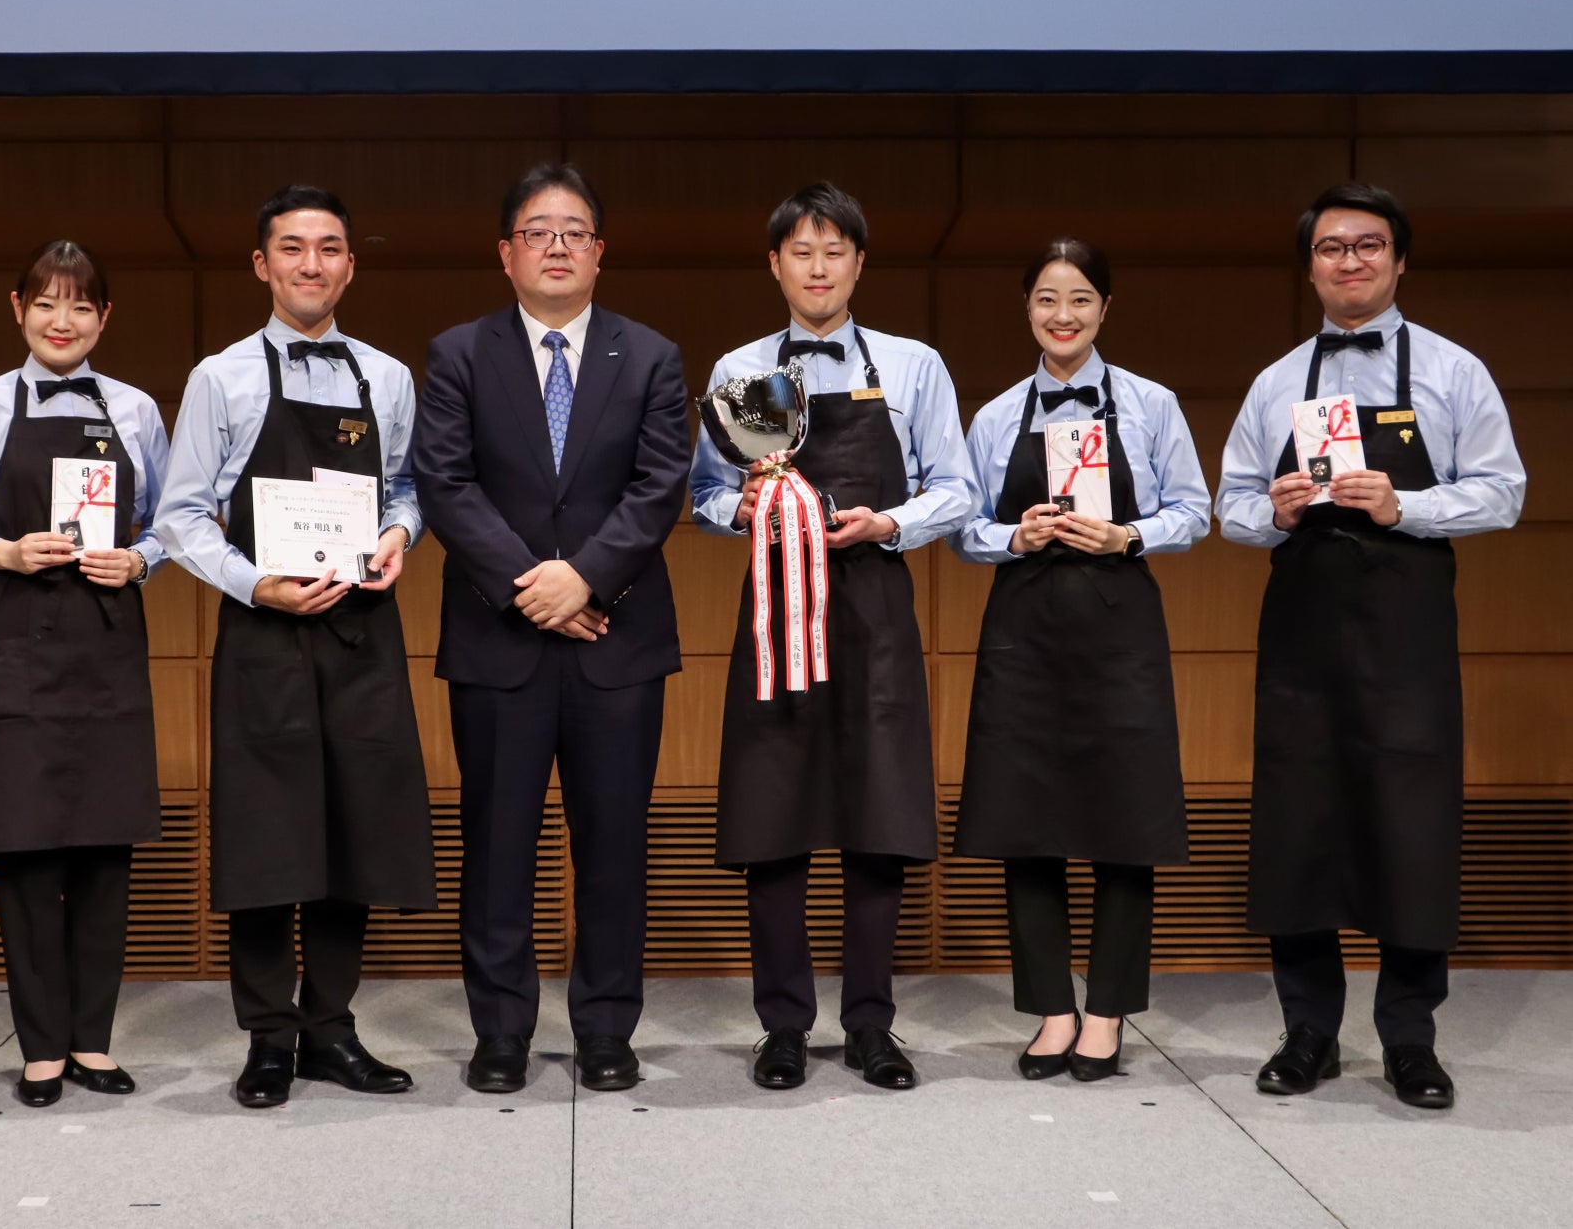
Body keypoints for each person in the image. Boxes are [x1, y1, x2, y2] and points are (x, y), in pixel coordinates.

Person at [1218, 183, 1526, 1110]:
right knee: (1298, 826)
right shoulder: (1276, 382)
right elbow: (1228, 507)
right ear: (1309, 264)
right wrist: (1266, 514)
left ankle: (1409, 1040)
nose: (1350, 261)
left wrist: (1409, 507)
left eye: (1369, 245)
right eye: (1331, 247)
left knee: (1412, 824)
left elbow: (1503, 492)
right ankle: (1307, 1030)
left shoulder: (1454, 370)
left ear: (1399, 261)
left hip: (1408, 628)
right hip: (1303, 628)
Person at [691, 181, 977, 1091]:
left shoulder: (912, 363)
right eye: (801, 252)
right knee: (773, 820)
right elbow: (703, 494)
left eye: (835, 251)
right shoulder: (743, 368)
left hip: (876, 612)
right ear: (774, 264)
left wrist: (889, 523)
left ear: (859, 262)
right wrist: (744, 509)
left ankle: (870, 1026)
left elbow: (955, 487)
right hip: (777, 614)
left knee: (877, 819)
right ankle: (782, 1026)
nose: (818, 268)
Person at [157, 185, 436, 1109]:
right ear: (262, 265)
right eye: (292, 249)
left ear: (351, 264)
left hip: (363, 633)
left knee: (357, 831)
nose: (310, 265)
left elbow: (405, 493)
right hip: (265, 634)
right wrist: (254, 583)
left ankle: (330, 1027)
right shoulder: (220, 377)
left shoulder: (387, 378)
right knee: (269, 838)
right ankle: (268, 1037)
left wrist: (399, 538)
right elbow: (183, 515)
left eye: (328, 249)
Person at [413, 163, 689, 1094]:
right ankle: (500, 1033)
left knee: (613, 845)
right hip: (501, 639)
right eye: (538, 231)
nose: (558, 245)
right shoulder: (457, 353)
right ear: (506, 253)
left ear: (600, 252)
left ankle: (608, 1031)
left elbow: (660, 489)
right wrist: (534, 587)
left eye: (575, 231)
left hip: (619, 640)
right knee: (497, 847)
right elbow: (446, 483)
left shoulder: (650, 355)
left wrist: (586, 579)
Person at [951, 238, 1209, 1082]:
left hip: (1120, 625)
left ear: (1106, 309)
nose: (1063, 316)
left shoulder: (1151, 403)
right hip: (1025, 630)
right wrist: (1011, 535)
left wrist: (1127, 533)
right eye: (1047, 301)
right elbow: (963, 530)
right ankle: (1052, 1013)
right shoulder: (994, 417)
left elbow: (1195, 512)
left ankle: (1106, 1012)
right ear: (1026, 309)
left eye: (1081, 300)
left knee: (1124, 823)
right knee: (1028, 823)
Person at [0, 241, 169, 1107]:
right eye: (47, 305)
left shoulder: (136, 409)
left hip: (106, 641)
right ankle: (39, 1047)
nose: (63, 322)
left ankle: (92, 1042)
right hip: (17, 641)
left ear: (105, 319)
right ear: (17, 307)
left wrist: (138, 562)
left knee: (105, 850)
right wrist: (4, 550)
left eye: (82, 307)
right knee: (27, 850)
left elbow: (174, 522)